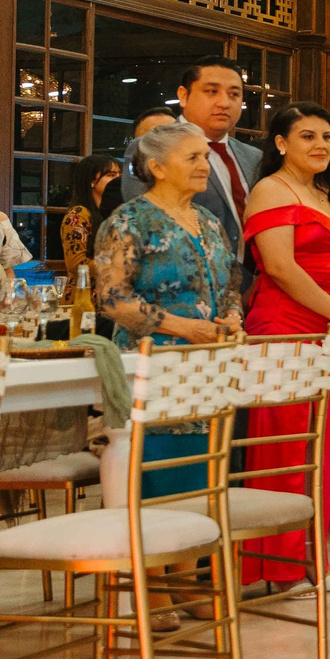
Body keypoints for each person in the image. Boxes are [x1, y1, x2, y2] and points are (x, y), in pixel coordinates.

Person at [240, 103, 330, 586]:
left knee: (320, 447)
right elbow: (280, 267)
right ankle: (279, 565)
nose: (321, 145)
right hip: (285, 325)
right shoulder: (270, 190)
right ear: (281, 143)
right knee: (283, 447)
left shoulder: (329, 192)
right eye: (308, 136)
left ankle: (310, 558)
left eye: (327, 137)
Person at [92, 124, 242, 506]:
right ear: (157, 167)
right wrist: (184, 328)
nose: (204, 166)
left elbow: (231, 285)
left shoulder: (209, 221)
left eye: (205, 157)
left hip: (207, 374)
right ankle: (152, 564)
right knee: (159, 493)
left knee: (203, 485)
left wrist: (232, 317)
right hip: (152, 371)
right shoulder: (129, 221)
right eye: (192, 157)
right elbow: (112, 299)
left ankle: (196, 564)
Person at [119, 59, 262, 281]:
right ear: (183, 96)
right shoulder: (152, 147)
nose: (224, 102)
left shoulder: (253, 157)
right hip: (181, 287)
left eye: (234, 94)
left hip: (256, 290)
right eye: (212, 91)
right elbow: (146, 220)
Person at [58, 152, 122, 274]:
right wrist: (118, 266)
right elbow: (76, 264)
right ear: (91, 181)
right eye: (111, 175)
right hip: (85, 290)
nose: (118, 180)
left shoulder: (113, 212)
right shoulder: (78, 214)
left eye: (120, 175)